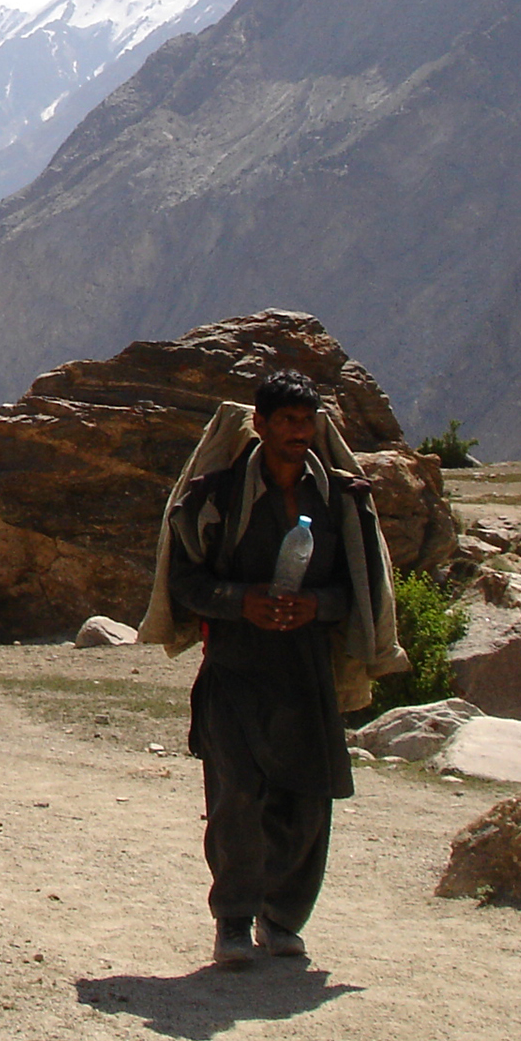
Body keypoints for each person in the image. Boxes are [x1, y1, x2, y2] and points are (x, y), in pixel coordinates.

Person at [149, 369, 402, 969]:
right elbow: (185, 581)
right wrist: (243, 603)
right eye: (286, 421)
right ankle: (233, 921)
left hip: (308, 667)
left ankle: (283, 918)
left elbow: (357, 588)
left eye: (306, 422)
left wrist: (318, 606)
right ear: (258, 425)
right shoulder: (216, 496)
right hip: (236, 666)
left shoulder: (340, 499)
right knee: (236, 795)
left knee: (309, 799)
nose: (298, 433)